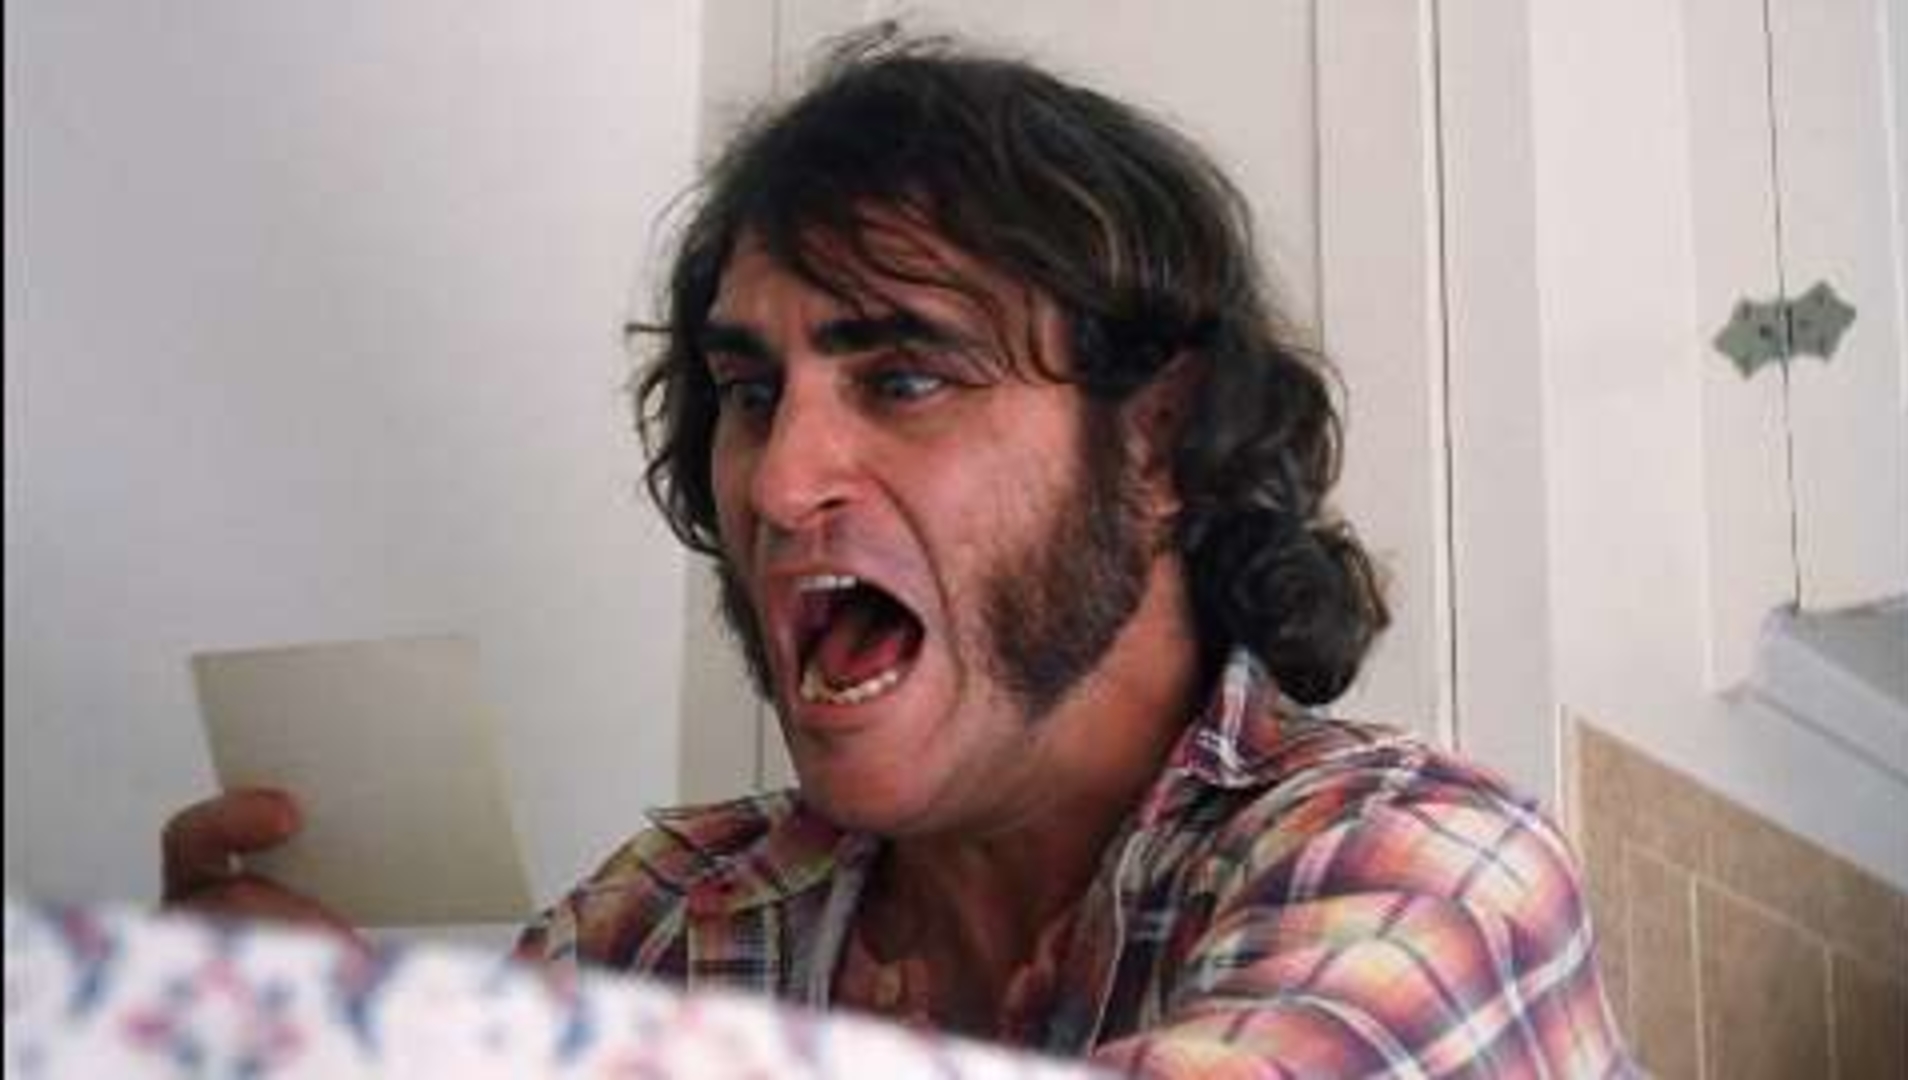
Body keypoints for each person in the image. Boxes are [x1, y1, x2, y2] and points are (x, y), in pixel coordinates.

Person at [163, 31, 1637, 1077]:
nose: (780, 480)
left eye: (907, 377)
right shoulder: (662, 920)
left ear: (1156, 442)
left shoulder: (1424, 869)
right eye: (752, 395)